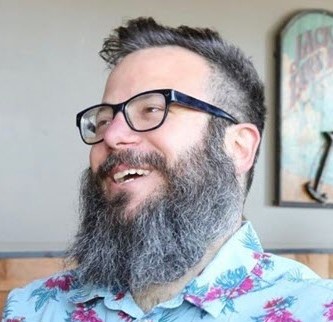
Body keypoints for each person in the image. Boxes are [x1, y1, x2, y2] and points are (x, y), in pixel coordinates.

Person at [2, 17, 333, 322]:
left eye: (151, 109)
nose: (113, 136)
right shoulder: (32, 307)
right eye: (103, 120)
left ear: (238, 147)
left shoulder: (314, 310)